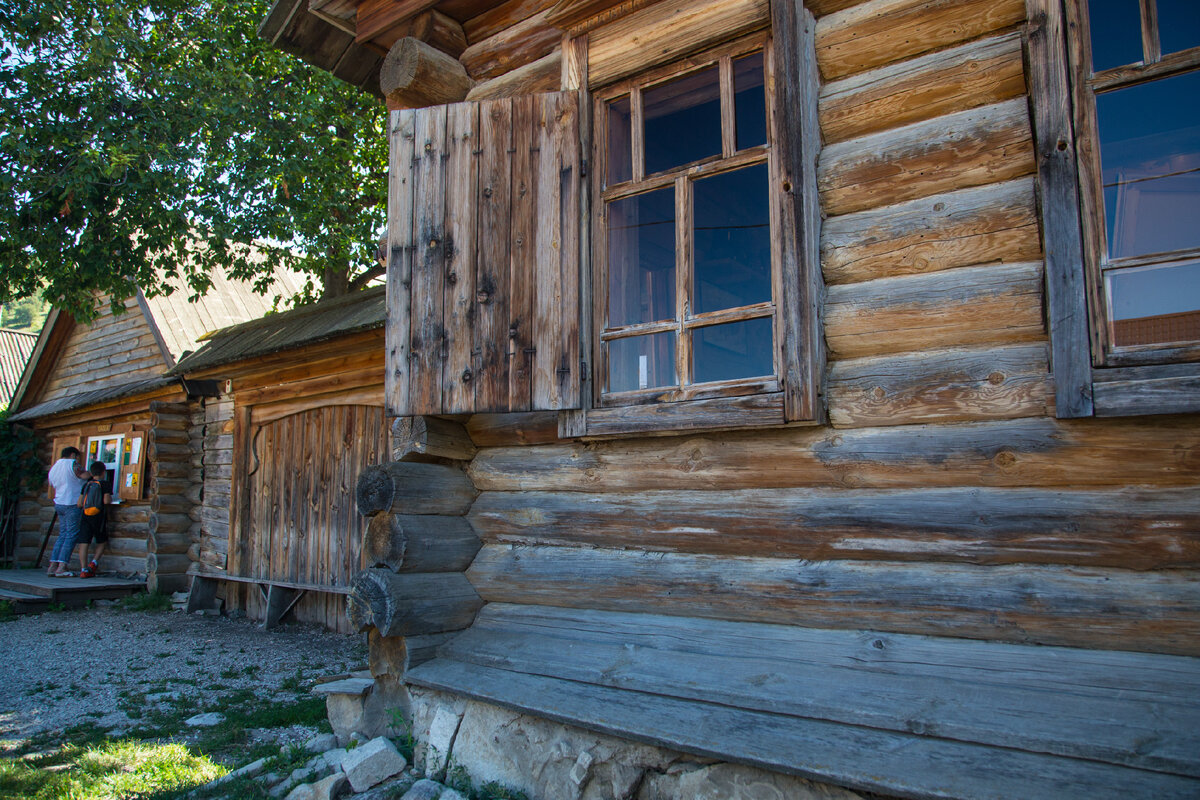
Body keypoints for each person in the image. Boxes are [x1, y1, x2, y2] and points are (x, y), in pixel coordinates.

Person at [46, 446, 88, 577]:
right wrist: (92, 473)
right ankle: (62, 567)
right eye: (77, 457)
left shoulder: (54, 467)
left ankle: (52, 566)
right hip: (71, 502)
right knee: (71, 535)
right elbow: (82, 475)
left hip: (59, 502)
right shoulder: (72, 463)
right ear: (72, 455)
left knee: (62, 534)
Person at [76, 461, 111, 578]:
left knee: (84, 542)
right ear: (103, 472)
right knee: (102, 541)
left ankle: (83, 569)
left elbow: (79, 503)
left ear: (91, 472)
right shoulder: (105, 484)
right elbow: (106, 501)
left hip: (86, 515)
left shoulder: (87, 484)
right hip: (98, 516)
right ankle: (94, 562)